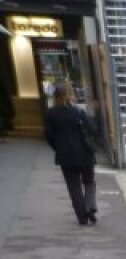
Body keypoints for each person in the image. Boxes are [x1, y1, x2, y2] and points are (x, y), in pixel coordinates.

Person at [43, 82, 96, 225]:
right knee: (89, 182)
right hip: (85, 153)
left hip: (65, 156)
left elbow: (48, 135)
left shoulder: (51, 114)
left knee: (74, 187)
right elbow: (92, 129)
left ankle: (82, 217)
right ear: (69, 95)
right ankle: (89, 206)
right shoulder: (78, 112)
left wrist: (58, 147)